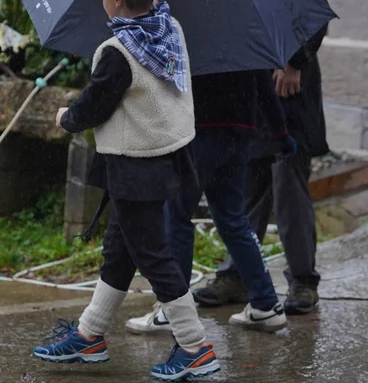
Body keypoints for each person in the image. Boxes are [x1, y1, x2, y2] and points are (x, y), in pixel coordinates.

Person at [32, 0, 220, 381]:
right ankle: (89, 334)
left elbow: (94, 106)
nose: (103, 0)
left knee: (154, 258)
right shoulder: (168, 28)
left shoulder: (118, 51)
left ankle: (195, 347)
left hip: (135, 168)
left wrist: (65, 117)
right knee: (119, 252)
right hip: (167, 157)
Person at [125, 66, 293, 336]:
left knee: (176, 218)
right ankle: (266, 304)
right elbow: (264, 85)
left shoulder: (189, 41)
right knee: (233, 220)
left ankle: (173, 311)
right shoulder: (246, 44)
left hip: (196, 132)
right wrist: (280, 134)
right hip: (238, 135)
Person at [191, 24, 330, 314]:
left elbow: (313, 20)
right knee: (248, 190)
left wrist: (293, 62)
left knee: (289, 192)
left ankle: (303, 279)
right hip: (251, 91)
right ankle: (237, 275)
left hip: (289, 91)